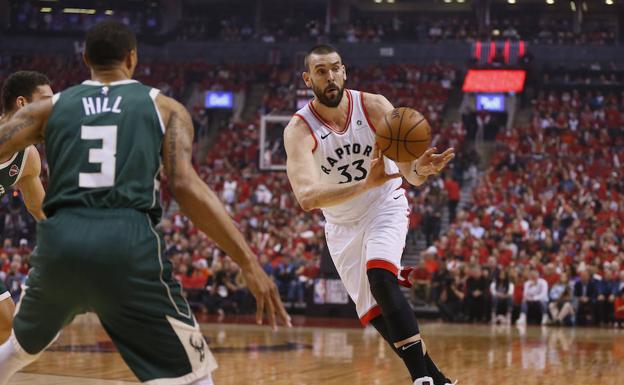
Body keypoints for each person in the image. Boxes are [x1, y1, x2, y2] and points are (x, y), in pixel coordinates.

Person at [0, 21, 290, 385]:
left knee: (21, 347)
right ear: (133, 58)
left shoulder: (48, 109)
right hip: (125, 241)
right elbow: (185, 188)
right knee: (194, 373)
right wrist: (247, 261)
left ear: (86, 58)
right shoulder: (166, 109)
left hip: (61, 244)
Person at [284, 44, 456, 385]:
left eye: (335, 68)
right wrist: (365, 181)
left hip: (384, 205)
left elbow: (410, 175)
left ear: (345, 71)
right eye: (321, 71)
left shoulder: (374, 106)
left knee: (381, 277)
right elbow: (305, 197)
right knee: (378, 314)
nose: (330, 76)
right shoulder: (299, 129)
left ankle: (420, 380)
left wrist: (420, 168)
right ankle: (437, 379)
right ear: (308, 79)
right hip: (341, 225)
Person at [0, 71, 50, 344]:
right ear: (22, 104)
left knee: (5, 324)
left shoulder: (28, 157)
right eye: (46, 101)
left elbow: (40, 210)